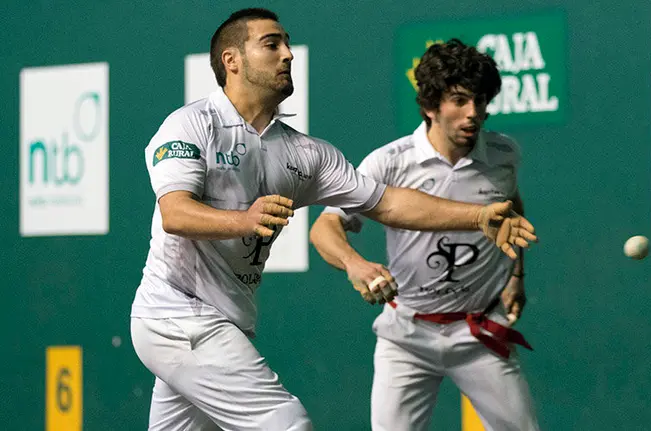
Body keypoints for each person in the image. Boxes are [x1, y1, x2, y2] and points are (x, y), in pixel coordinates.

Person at [129, 9, 537, 431]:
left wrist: (477, 216)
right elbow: (175, 213)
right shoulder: (192, 125)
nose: (288, 54)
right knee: (287, 424)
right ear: (231, 61)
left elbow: (388, 203)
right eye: (271, 44)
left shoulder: (305, 154)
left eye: (288, 44)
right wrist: (245, 220)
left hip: (225, 321)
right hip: (178, 316)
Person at [309, 39, 540, 431]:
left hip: (480, 331)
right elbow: (324, 227)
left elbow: (512, 210)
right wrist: (355, 264)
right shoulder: (389, 163)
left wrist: (516, 275)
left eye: (480, 101)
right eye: (459, 101)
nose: (473, 113)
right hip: (406, 337)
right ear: (431, 106)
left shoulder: (503, 154)